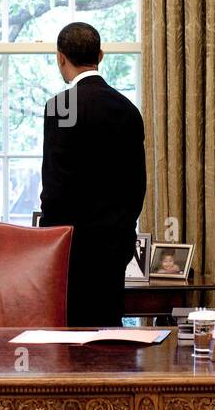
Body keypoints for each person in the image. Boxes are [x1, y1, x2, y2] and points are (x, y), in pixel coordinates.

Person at [40, 22, 147, 327]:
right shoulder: (127, 109)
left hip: (71, 248)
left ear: (61, 57)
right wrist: (122, 231)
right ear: (100, 55)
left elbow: (55, 188)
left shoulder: (62, 106)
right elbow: (136, 186)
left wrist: (49, 242)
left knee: (69, 339)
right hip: (114, 246)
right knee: (108, 335)